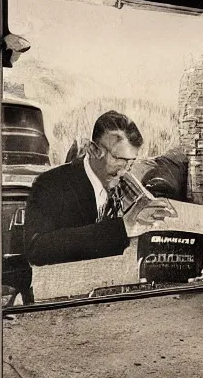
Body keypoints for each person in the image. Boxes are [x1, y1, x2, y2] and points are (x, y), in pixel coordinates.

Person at [24, 110, 172, 266]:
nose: (125, 170)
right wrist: (122, 227)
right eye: (118, 159)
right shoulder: (50, 184)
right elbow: (36, 249)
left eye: (131, 161)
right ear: (93, 150)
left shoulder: (125, 183)